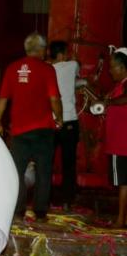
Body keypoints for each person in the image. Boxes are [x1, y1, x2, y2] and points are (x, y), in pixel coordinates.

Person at [0, 32, 63, 223]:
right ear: (42, 50)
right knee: (43, 171)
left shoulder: (12, 68)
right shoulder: (48, 70)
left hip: (19, 131)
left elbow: (3, 98)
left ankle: (18, 210)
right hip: (43, 130)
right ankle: (40, 212)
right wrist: (59, 118)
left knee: (17, 171)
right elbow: (54, 99)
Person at [48, 41, 81, 210]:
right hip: (69, 121)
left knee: (47, 163)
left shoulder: (46, 69)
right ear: (61, 55)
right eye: (66, 53)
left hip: (51, 122)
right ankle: (67, 202)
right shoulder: (73, 65)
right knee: (69, 164)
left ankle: (45, 200)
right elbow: (77, 69)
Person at [102, 49, 127, 227]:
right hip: (119, 141)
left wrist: (108, 102)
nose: (110, 71)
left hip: (121, 143)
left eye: (113, 67)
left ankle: (120, 219)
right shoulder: (119, 85)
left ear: (123, 67)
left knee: (123, 183)